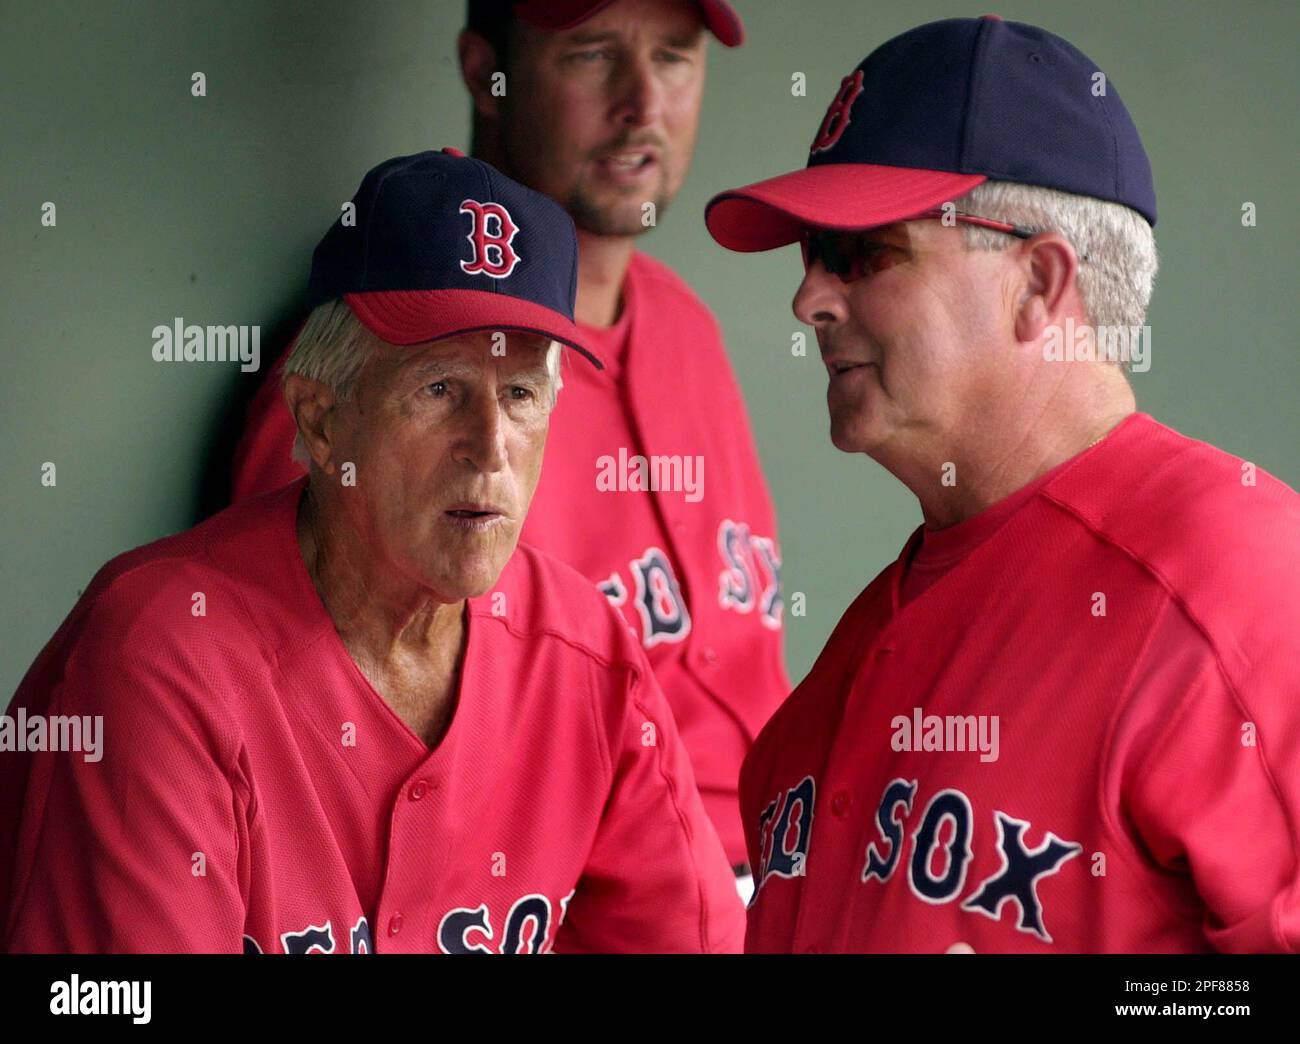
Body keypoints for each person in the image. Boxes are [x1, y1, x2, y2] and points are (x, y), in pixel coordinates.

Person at [1, 149, 744, 954]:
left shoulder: (584, 654)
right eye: (440, 389)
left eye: (522, 394)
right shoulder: (165, 656)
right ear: (320, 421)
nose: (490, 448)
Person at [705, 16, 1300, 952]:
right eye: (810, 252)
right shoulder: (836, 684)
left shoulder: (1243, 585)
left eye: (864, 251)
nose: (809, 298)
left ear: (1038, 282)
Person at [230, 0, 789, 892]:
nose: (642, 101)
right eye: (593, 54)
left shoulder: (689, 329)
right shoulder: (364, 394)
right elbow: (322, 807)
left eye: (675, 56)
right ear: (482, 68)